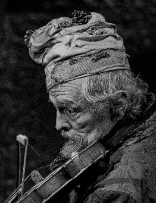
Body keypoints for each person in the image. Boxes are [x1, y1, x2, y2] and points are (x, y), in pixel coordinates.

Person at [24, 11, 156, 203]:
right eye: (56, 109)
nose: (58, 125)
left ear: (118, 106)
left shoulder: (115, 194)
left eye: (71, 110)